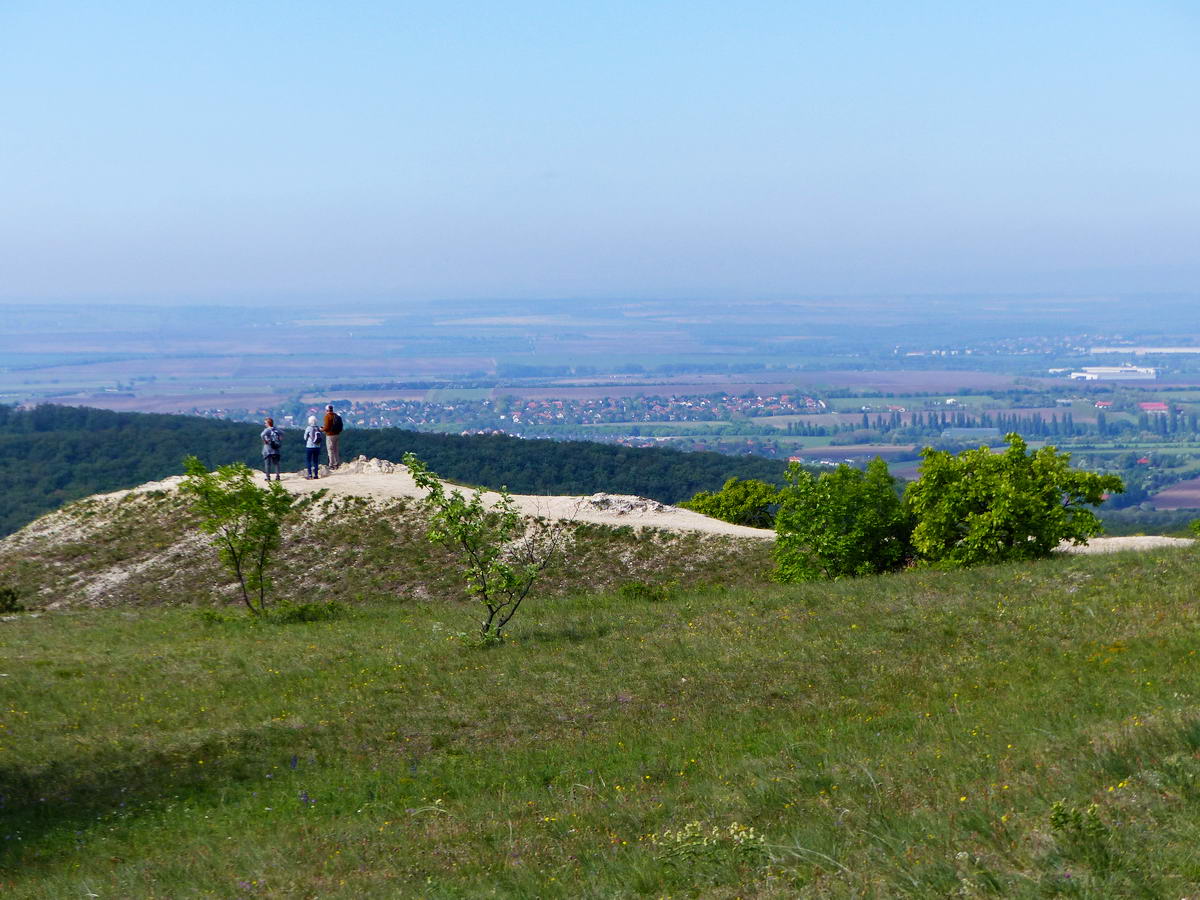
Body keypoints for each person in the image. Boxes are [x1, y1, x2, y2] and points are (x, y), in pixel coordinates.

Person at [323, 403, 344, 469]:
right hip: (337, 434)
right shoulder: (336, 415)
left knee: (330, 450)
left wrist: (321, 429)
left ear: (327, 410)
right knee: (336, 449)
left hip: (330, 435)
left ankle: (331, 464)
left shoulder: (327, 416)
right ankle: (337, 463)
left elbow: (326, 427)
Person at [303, 415, 324, 479]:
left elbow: (305, 438)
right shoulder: (318, 428)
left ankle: (309, 475)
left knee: (308, 461)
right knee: (316, 461)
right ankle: (316, 475)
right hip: (317, 446)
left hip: (309, 446)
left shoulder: (308, 428)